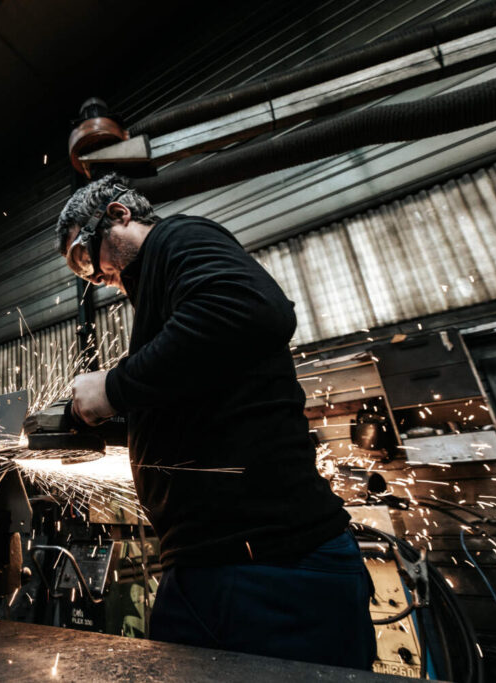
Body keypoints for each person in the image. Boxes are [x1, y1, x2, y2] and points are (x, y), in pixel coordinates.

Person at [56, 173, 376, 670]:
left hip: (272, 569)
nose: (94, 276)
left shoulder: (179, 238)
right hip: (211, 566)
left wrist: (114, 387)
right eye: (81, 270)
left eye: (85, 255)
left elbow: (249, 310)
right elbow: (196, 397)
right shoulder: (162, 295)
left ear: (118, 215)